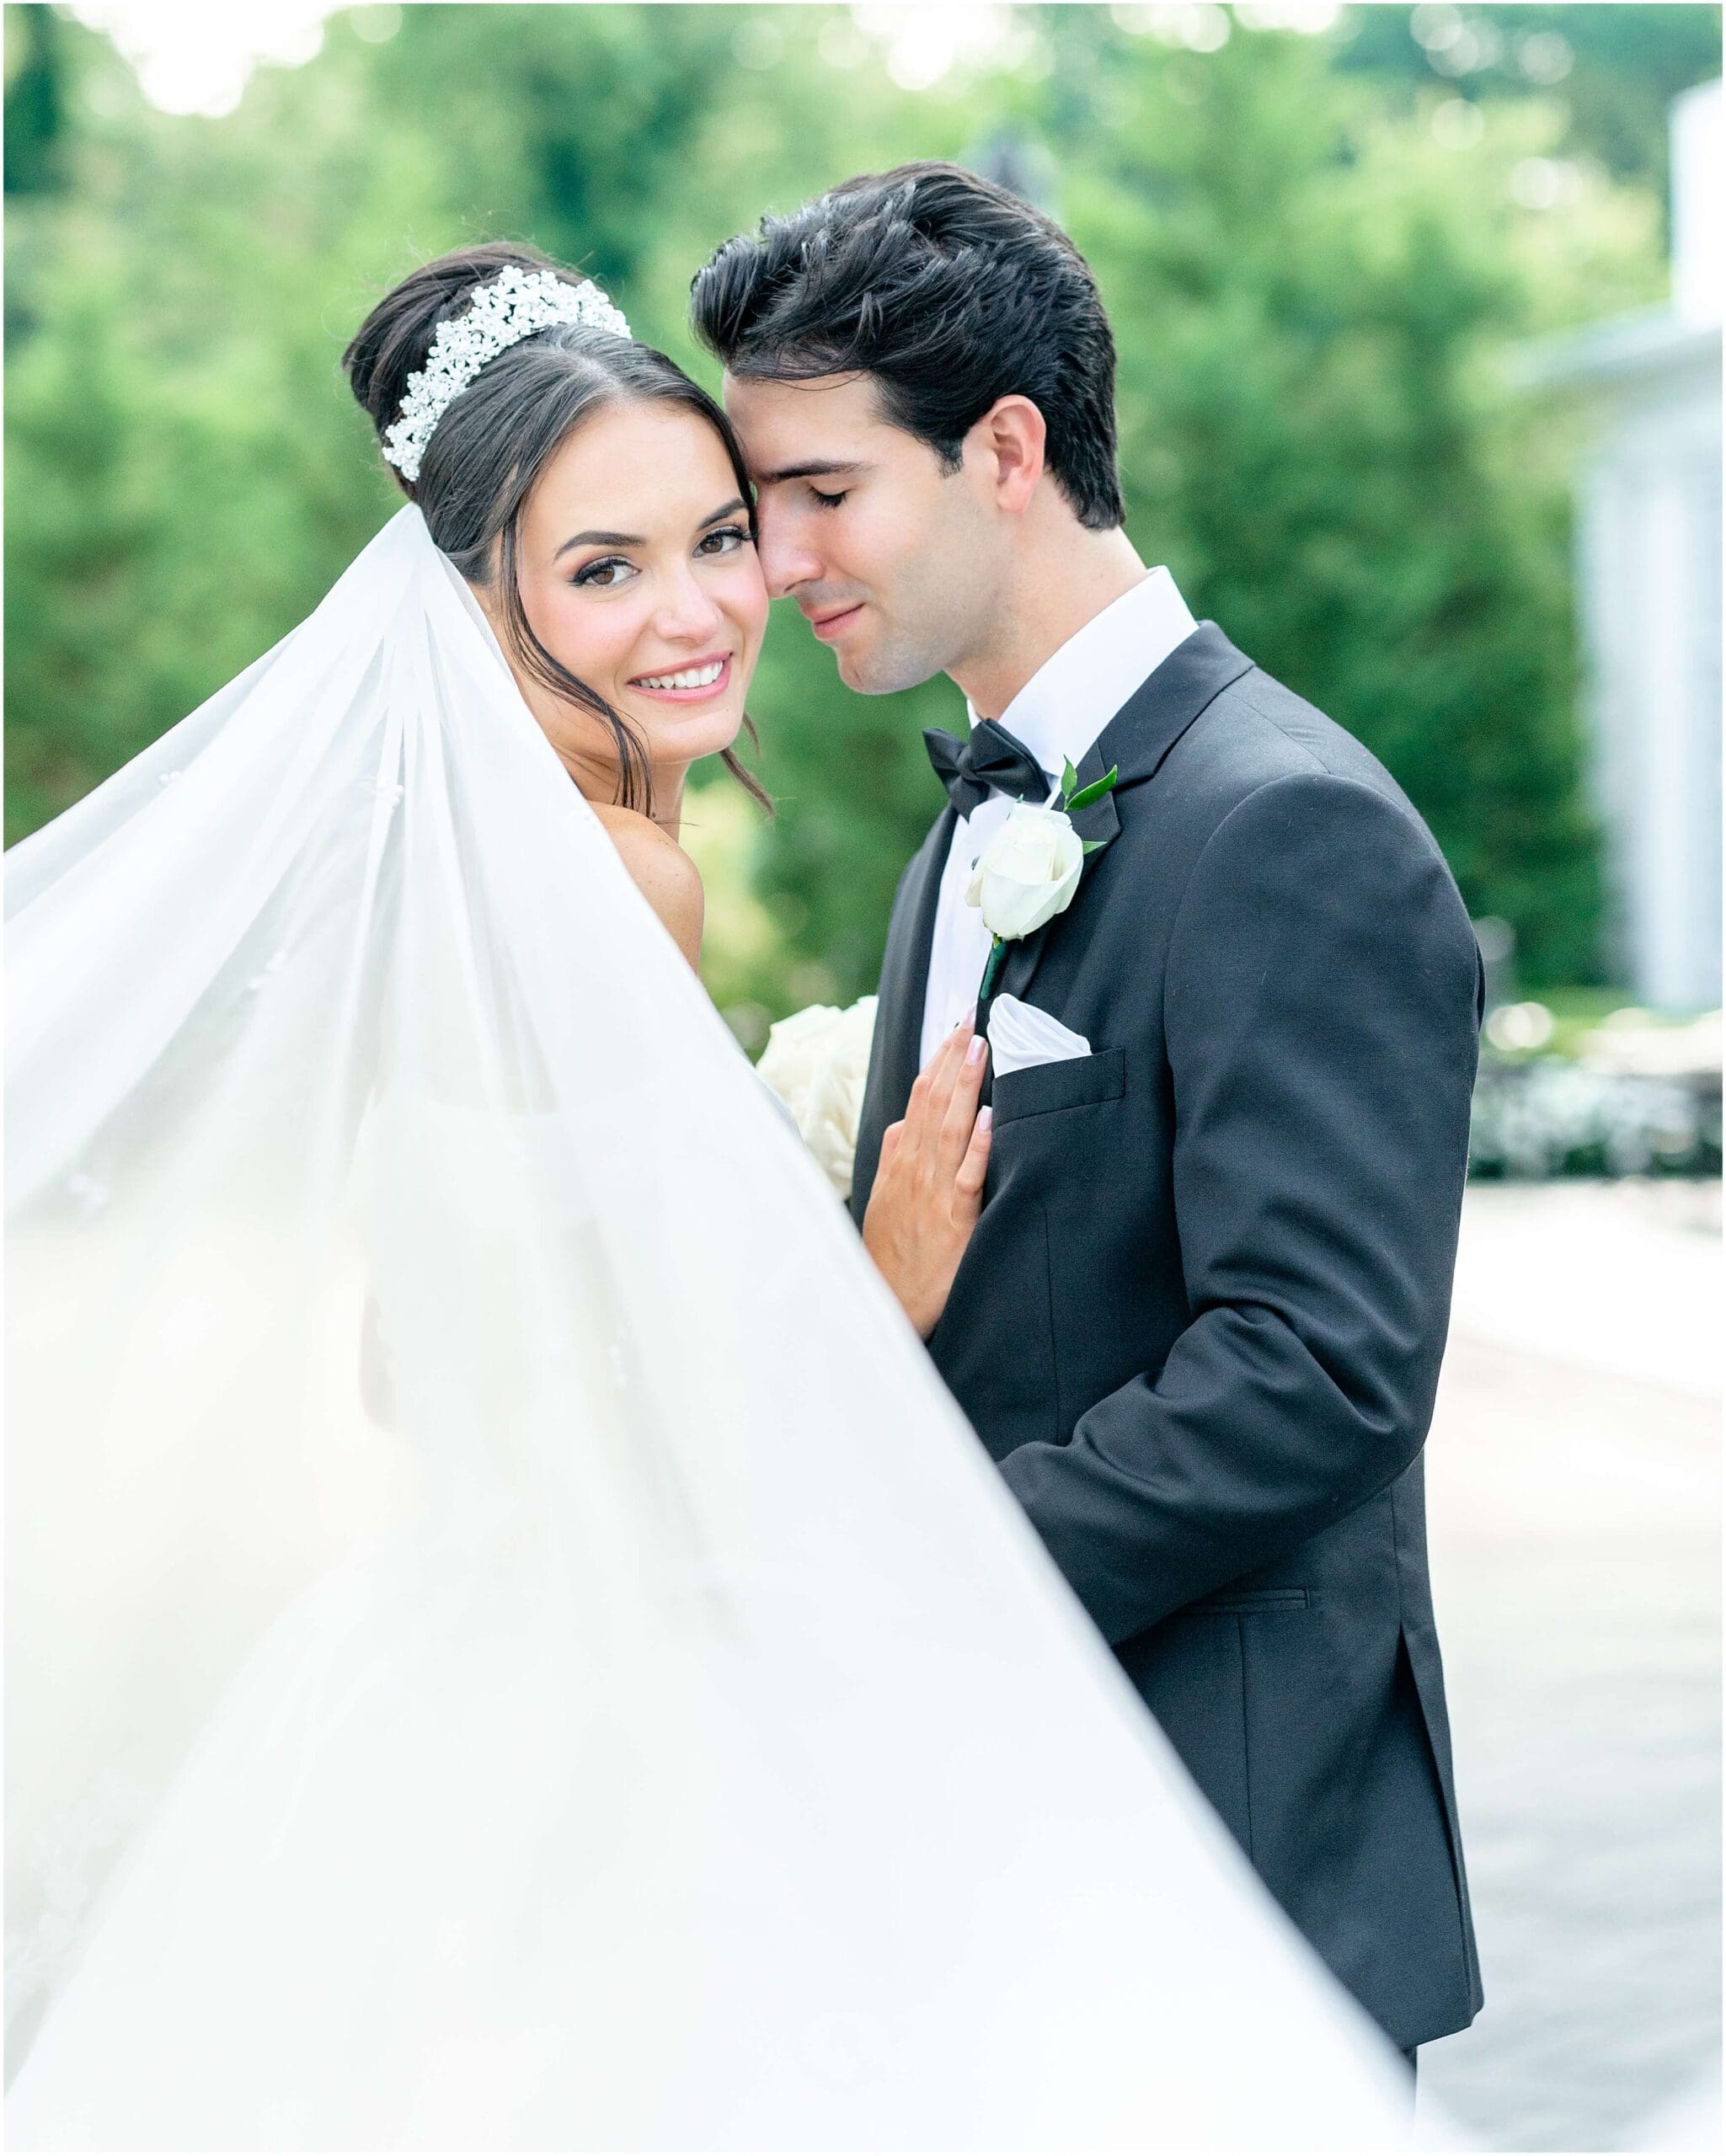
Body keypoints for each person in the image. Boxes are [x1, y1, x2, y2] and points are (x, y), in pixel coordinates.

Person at [5, 244, 1419, 2148]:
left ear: (1000, 452)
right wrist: (874, 1285)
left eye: (744, 525)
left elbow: (417, 1363)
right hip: (641, 1722)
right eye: (607, 566)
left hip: (534, 1689)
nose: (714, 600)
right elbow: (606, 1394)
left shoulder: (1232, 820)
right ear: (477, 595)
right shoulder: (632, 882)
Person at [694, 161, 1485, 2075]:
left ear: (1005, 448)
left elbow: (1314, 1367)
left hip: (1219, 1871)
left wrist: (925, 1562)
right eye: (760, 506)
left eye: (822, 494)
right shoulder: (971, 823)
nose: (779, 565)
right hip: (999, 1869)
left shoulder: (1281, 820)